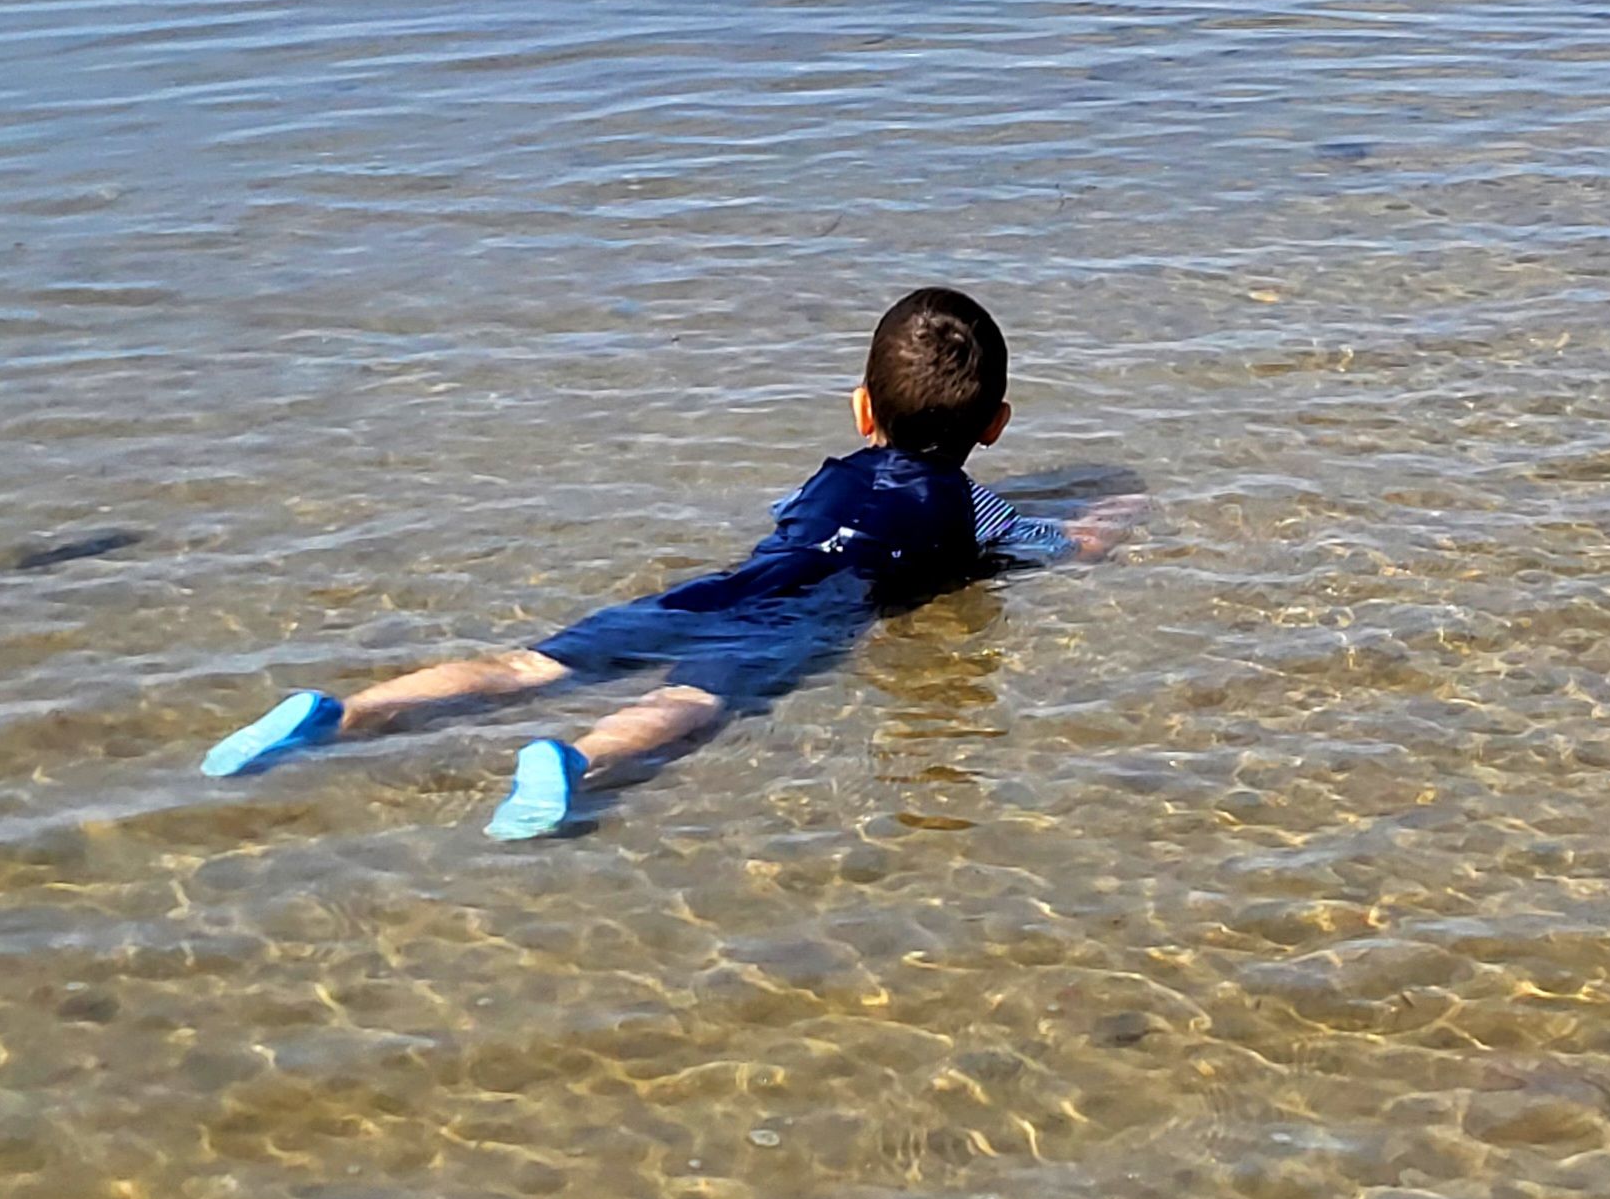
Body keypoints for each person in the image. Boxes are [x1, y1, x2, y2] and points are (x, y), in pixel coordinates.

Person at [199, 286, 1136, 839]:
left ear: (861, 409)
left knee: (534, 662)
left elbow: (792, 529)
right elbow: (1072, 549)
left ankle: (342, 713)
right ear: (995, 427)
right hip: (799, 619)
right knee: (690, 703)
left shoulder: (825, 478)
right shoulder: (976, 505)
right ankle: (574, 761)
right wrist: (1123, 506)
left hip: (721, 588)